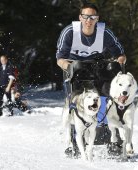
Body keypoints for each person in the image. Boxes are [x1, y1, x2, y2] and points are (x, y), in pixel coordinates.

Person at [56, 3, 126, 155]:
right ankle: (74, 141)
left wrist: (119, 61)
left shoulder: (104, 32)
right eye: (86, 17)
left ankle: (112, 138)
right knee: (76, 101)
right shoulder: (69, 32)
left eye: (92, 17)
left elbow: (120, 53)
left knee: (107, 97)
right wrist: (69, 67)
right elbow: (60, 58)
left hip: (98, 66)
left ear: (97, 19)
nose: (89, 20)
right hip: (76, 69)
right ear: (80, 18)